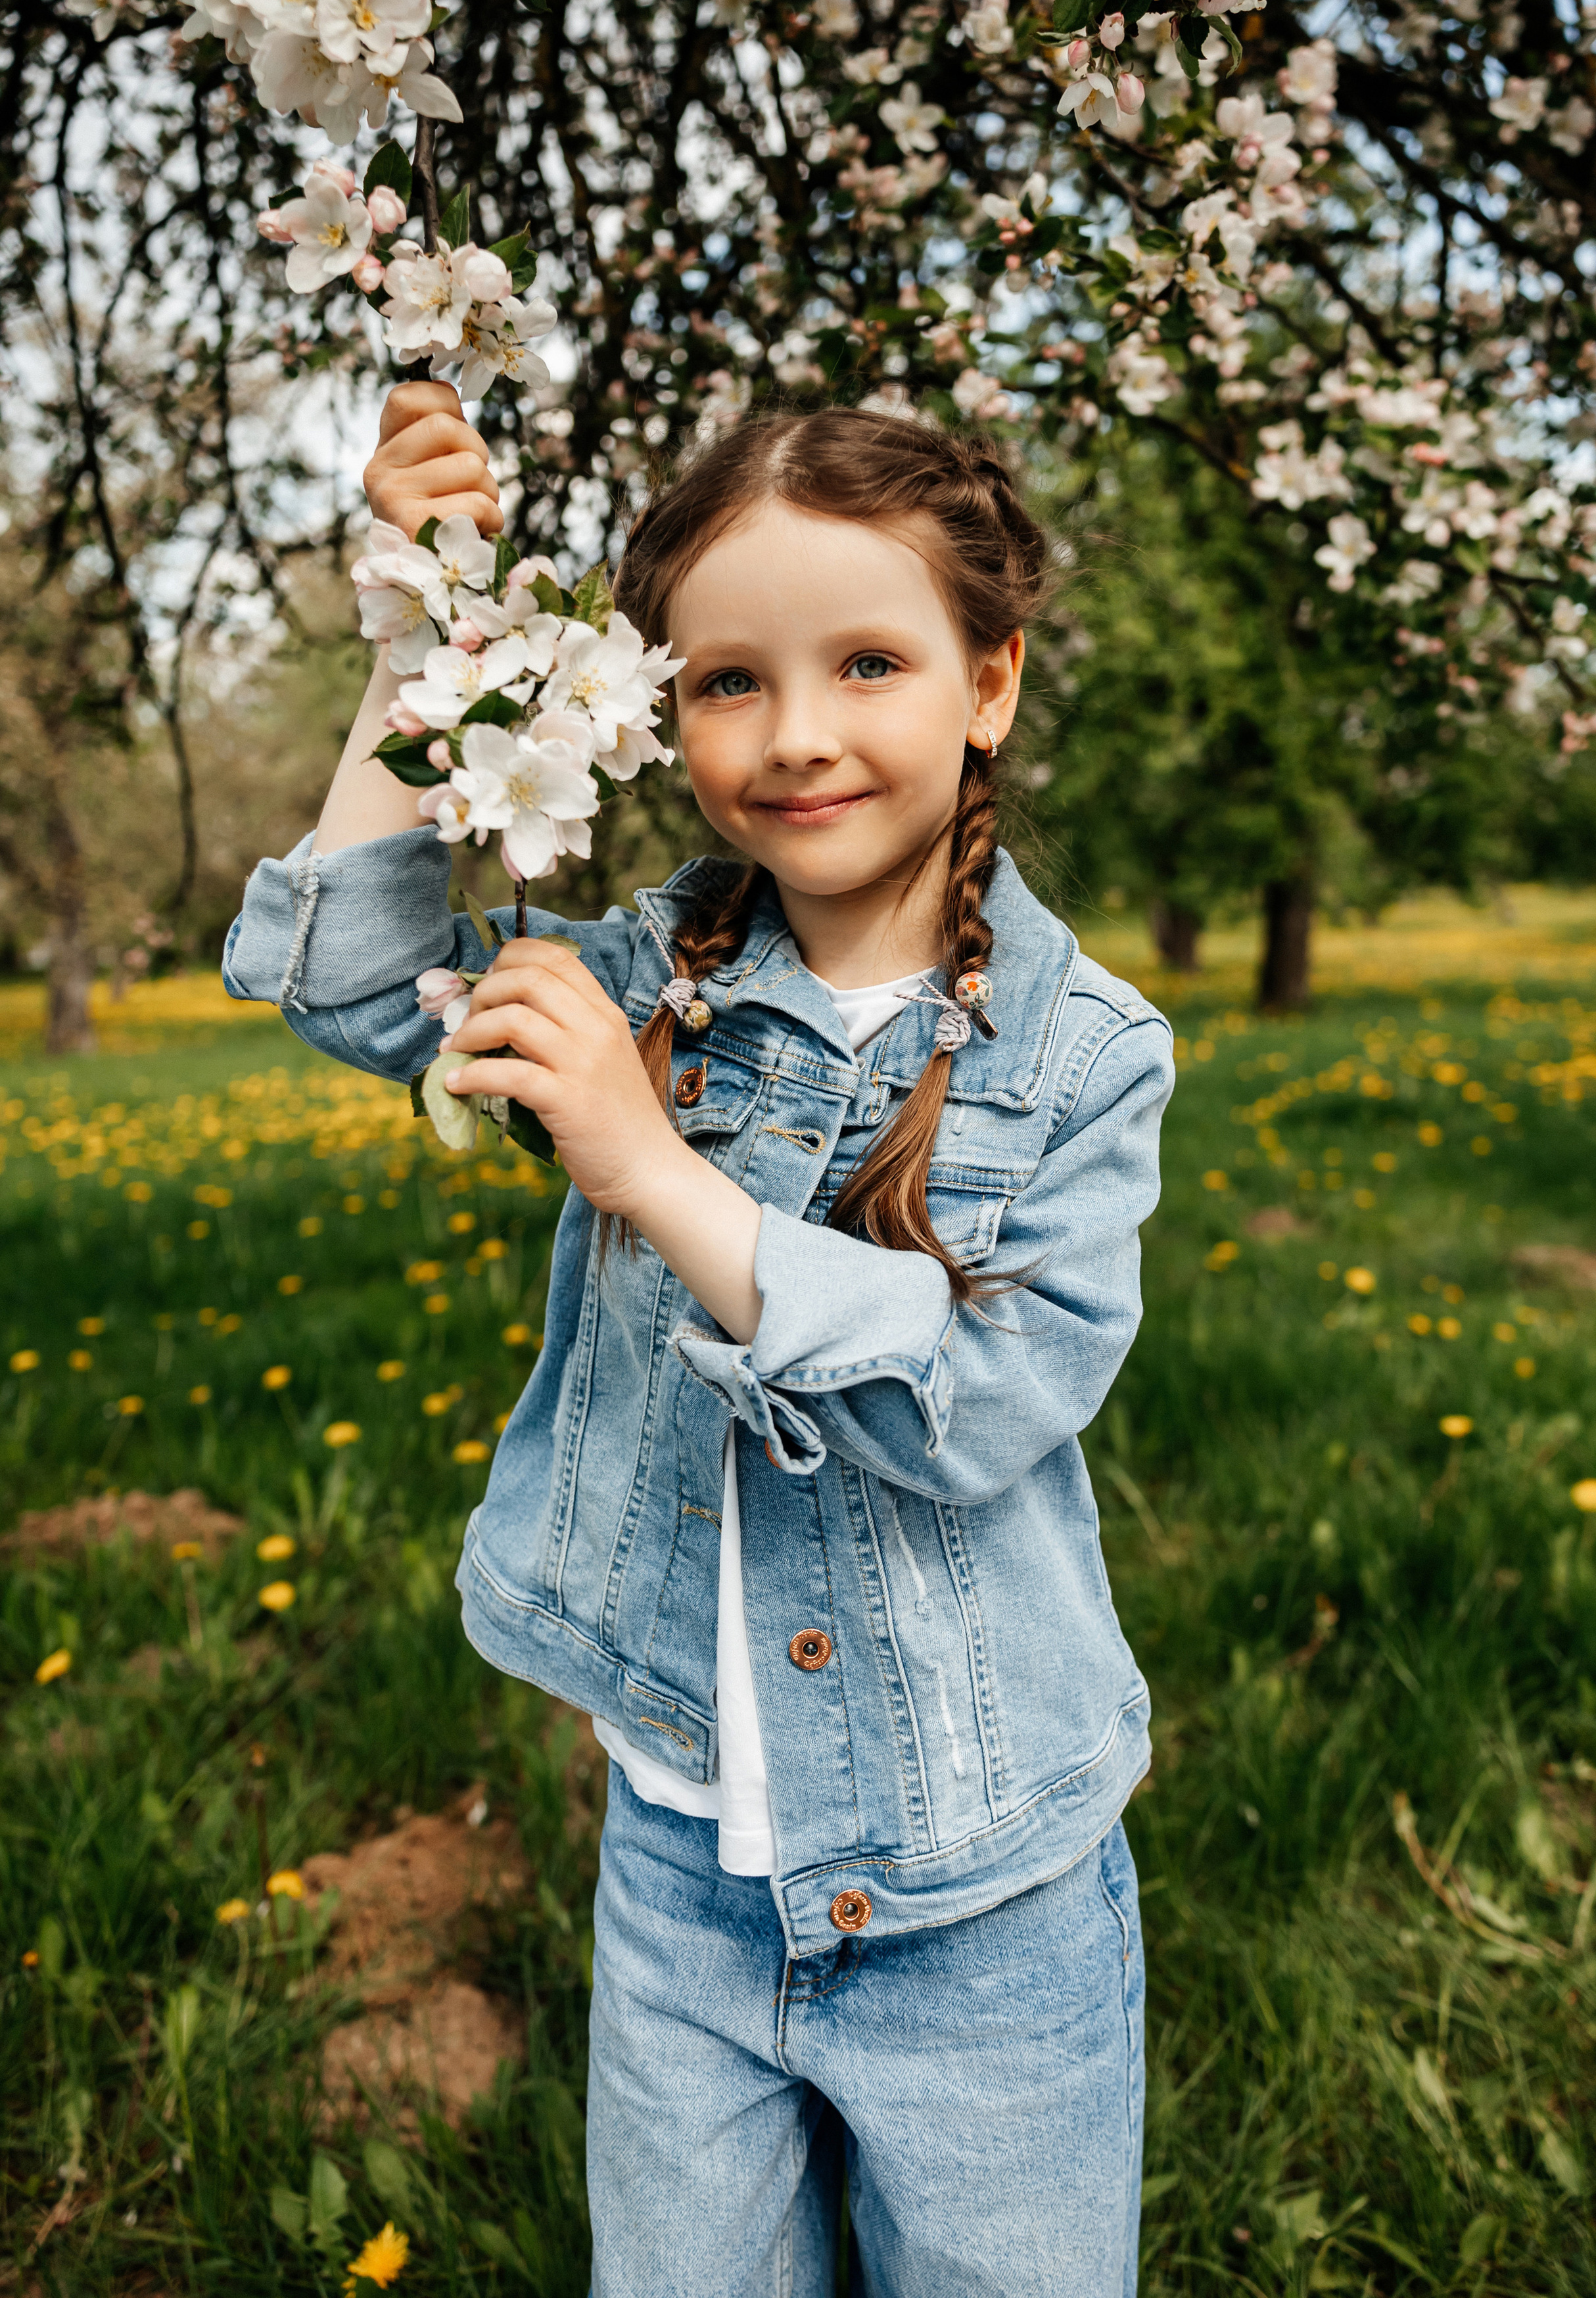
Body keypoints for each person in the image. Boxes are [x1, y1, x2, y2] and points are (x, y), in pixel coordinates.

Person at [224, 384, 1175, 2297]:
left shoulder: (1085, 1056)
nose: (800, 734)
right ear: (664, 710)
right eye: (730, 680)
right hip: (680, 1875)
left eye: (872, 662)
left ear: (989, 684)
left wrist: (654, 1172)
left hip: (981, 1901)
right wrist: (426, 644)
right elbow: (344, 966)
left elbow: (985, 1398)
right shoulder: (646, 975)